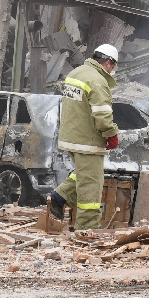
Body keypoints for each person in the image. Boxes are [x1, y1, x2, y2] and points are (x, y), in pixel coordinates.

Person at [49, 43, 120, 229]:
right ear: (108, 63)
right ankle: (87, 230)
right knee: (91, 185)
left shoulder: (76, 73)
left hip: (71, 138)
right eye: (113, 66)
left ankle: (59, 196)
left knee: (83, 174)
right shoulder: (97, 81)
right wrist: (111, 134)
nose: (112, 70)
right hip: (88, 141)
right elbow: (102, 114)